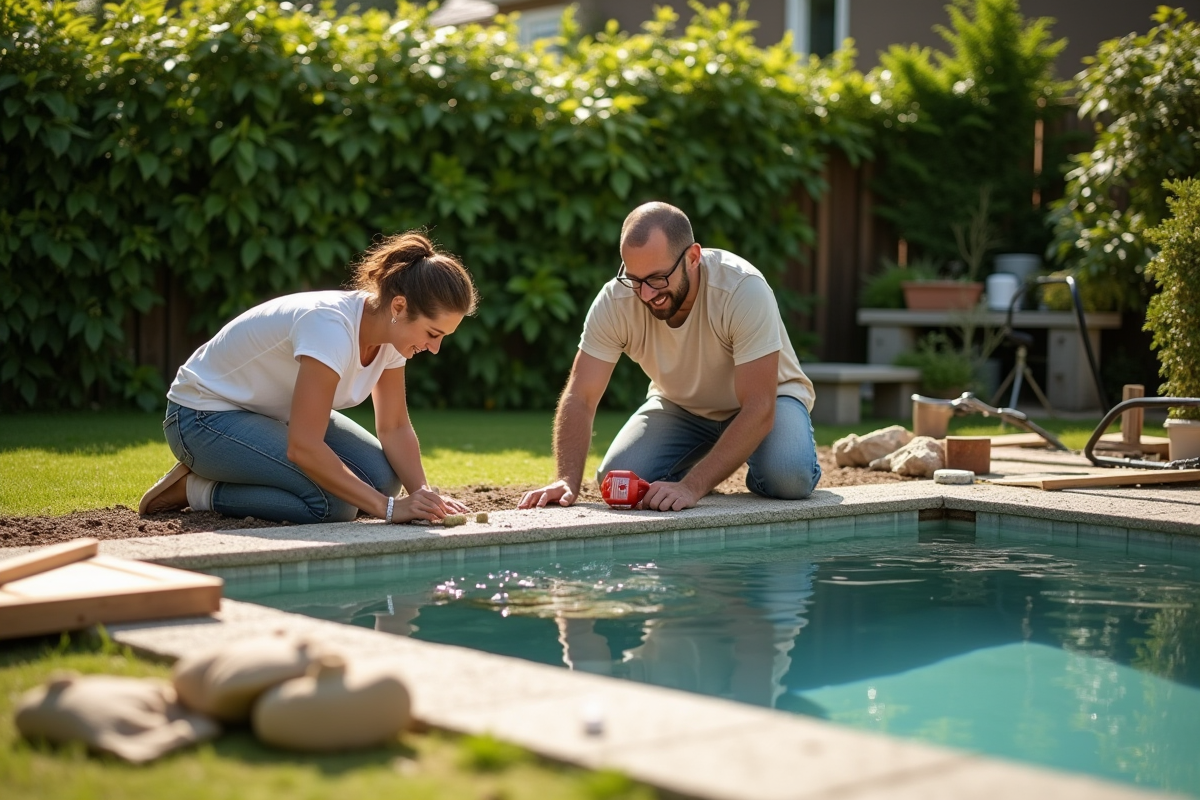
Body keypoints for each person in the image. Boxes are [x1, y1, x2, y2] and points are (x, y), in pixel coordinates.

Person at [138, 231, 477, 525]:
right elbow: (304, 445)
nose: (435, 349)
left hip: (270, 416)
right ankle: (196, 489)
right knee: (335, 504)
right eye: (433, 333)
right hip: (201, 418)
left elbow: (394, 427)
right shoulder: (330, 327)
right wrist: (388, 510)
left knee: (385, 480)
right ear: (399, 307)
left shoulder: (391, 337)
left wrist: (422, 496)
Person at [519, 202, 820, 512]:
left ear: (692, 257)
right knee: (619, 480)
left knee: (787, 478)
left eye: (656, 278)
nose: (646, 294)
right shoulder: (615, 300)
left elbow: (759, 406)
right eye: (634, 279)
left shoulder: (742, 289)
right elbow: (580, 395)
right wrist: (567, 480)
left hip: (773, 400)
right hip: (680, 407)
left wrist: (693, 486)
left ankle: (741, 465)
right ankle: (710, 461)